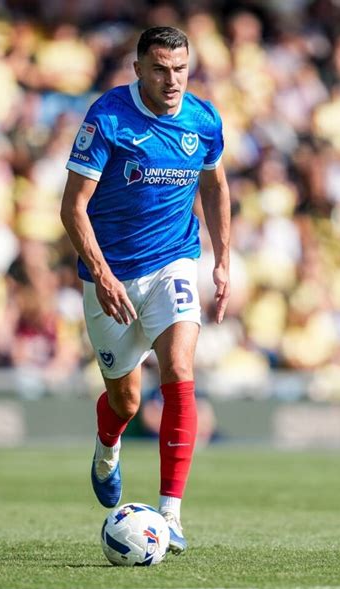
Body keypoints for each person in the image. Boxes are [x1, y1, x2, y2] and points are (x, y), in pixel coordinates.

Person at [60, 26, 230, 555]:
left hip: (174, 261)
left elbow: (215, 185)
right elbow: (72, 207)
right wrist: (102, 273)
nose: (171, 80)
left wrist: (223, 260)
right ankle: (106, 446)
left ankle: (171, 513)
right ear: (138, 70)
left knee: (179, 369)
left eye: (180, 69)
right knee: (127, 400)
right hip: (110, 275)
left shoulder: (203, 120)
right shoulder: (108, 117)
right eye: (159, 69)